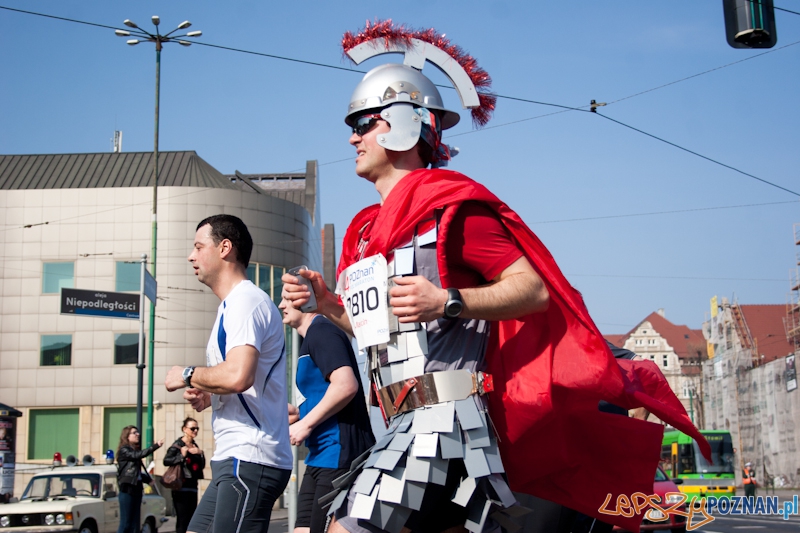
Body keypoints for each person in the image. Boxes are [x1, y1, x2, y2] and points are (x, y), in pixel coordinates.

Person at [282, 21, 709, 533]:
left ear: (402, 124)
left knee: (346, 527)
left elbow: (533, 290)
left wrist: (446, 300)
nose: (352, 136)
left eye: (365, 122)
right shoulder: (368, 234)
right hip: (398, 423)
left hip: (445, 422)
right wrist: (331, 307)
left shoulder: (452, 210)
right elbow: (379, 334)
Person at [164, 214, 292, 533]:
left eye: (197, 246)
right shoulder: (230, 305)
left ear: (224, 248)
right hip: (233, 456)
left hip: (251, 455)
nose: (191, 256)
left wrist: (188, 374)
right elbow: (240, 379)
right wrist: (209, 392)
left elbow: (238, 376)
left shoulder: (246, 302)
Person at [279, 298, 375, 533]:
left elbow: (345, 385)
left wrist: (305, 424)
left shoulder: (322, 331)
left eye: (286, 299)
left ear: (306, 300)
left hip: (339, 454)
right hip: (319, 456)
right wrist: (298, 414)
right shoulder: (311, 337)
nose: (281, 305)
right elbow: (325, 393)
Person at [116, 426, 164, 533]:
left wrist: (147, 479)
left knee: (134, 524)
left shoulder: (134, 449)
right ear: (127, 436)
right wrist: (155, 446)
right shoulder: (124, 450)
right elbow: (137, 455)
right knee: (125, 524)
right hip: (127, 489)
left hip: (136, 489)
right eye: (134, 433)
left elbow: (136, 473)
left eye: (138, 432)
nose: (138, 434)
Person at [163, 417, 206, 533]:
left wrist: (201, 453)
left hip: (192, 486)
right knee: (182, 519)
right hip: (180, 486)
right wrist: (182, 456)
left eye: (197, 428)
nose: (195, 431)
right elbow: (166, 460)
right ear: (184, 429)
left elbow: (201, 466)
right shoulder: (177, 445)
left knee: (192, 519)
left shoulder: (195, 446)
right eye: (192, 428)